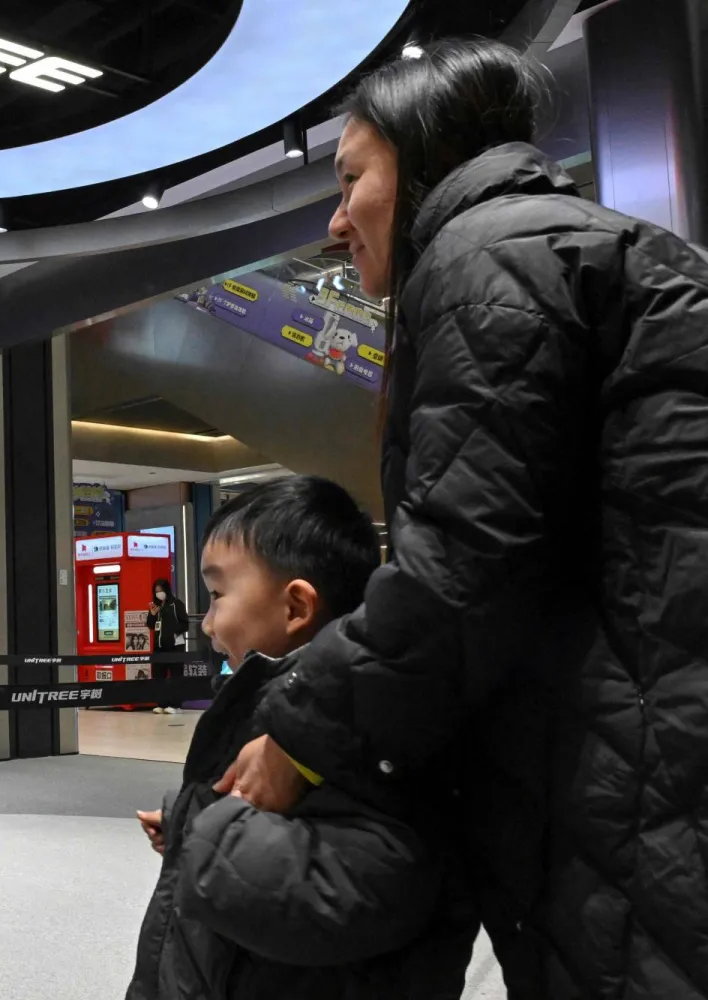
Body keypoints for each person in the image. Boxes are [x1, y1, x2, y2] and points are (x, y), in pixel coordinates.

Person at [216, 38, 708, 999]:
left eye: (351, 176)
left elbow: (463, 564)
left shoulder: (484, 258)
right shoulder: (575, 243)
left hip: (632, 762)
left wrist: (299, 737)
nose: (334, 217)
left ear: (423, 158)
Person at [128, 475, 475, 1000]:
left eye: (218, 594)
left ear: (295, 608)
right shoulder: (269, 703)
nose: (208, 623)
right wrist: (189, 818)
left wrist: (207, 833)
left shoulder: (369, 721)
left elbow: (356, 890)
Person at [146, 577, 189, 713]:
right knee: (159, 676)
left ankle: (175, 705)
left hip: (175, 646)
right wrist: (152, 615)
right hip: (159, 648)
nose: (159, 594)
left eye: (161, 591)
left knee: (176, 675)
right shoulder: (156, 606)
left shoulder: (176, 604)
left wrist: (173, 633)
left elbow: (185, 624)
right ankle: (161, 704)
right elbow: (151, 625)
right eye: (156, 591)